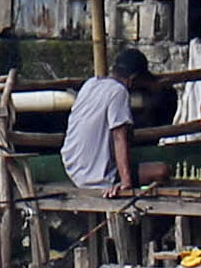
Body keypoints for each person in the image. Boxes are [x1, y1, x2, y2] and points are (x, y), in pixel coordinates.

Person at [63, 48, 152, 192]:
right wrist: (125, 182)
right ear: (133, 79)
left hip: (72, 167)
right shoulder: (119, 92)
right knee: (161, 171)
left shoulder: (91, 84)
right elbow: (119, 137)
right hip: (96, 175)